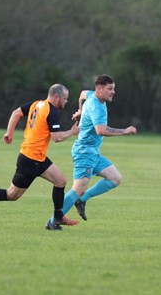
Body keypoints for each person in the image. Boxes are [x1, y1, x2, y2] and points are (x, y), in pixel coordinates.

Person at [0, 83, 80, 231]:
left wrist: (9, 132)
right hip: (30, 160)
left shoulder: (37, 104)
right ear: (56, 97)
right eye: (65, 99)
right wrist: (72, 132)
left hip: (38, 158)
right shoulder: (52, 111)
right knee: (12, 195)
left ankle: (57, 217)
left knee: (61, 181)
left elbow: (16, 112)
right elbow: (56, 137)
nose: (66, 102)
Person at [57, 74, 137, 223]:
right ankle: (53, 220)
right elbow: (101, 130)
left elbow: (82, 94)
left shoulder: (92, 95)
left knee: (115, 178)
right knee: (78, 188)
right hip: (84, 152)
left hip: (93, 152)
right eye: (110, 89)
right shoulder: (96, 107)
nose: (113, 92)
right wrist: (124, 131)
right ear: (99, 89)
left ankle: (82, 200)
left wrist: (81, 111)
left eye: (113, 89)